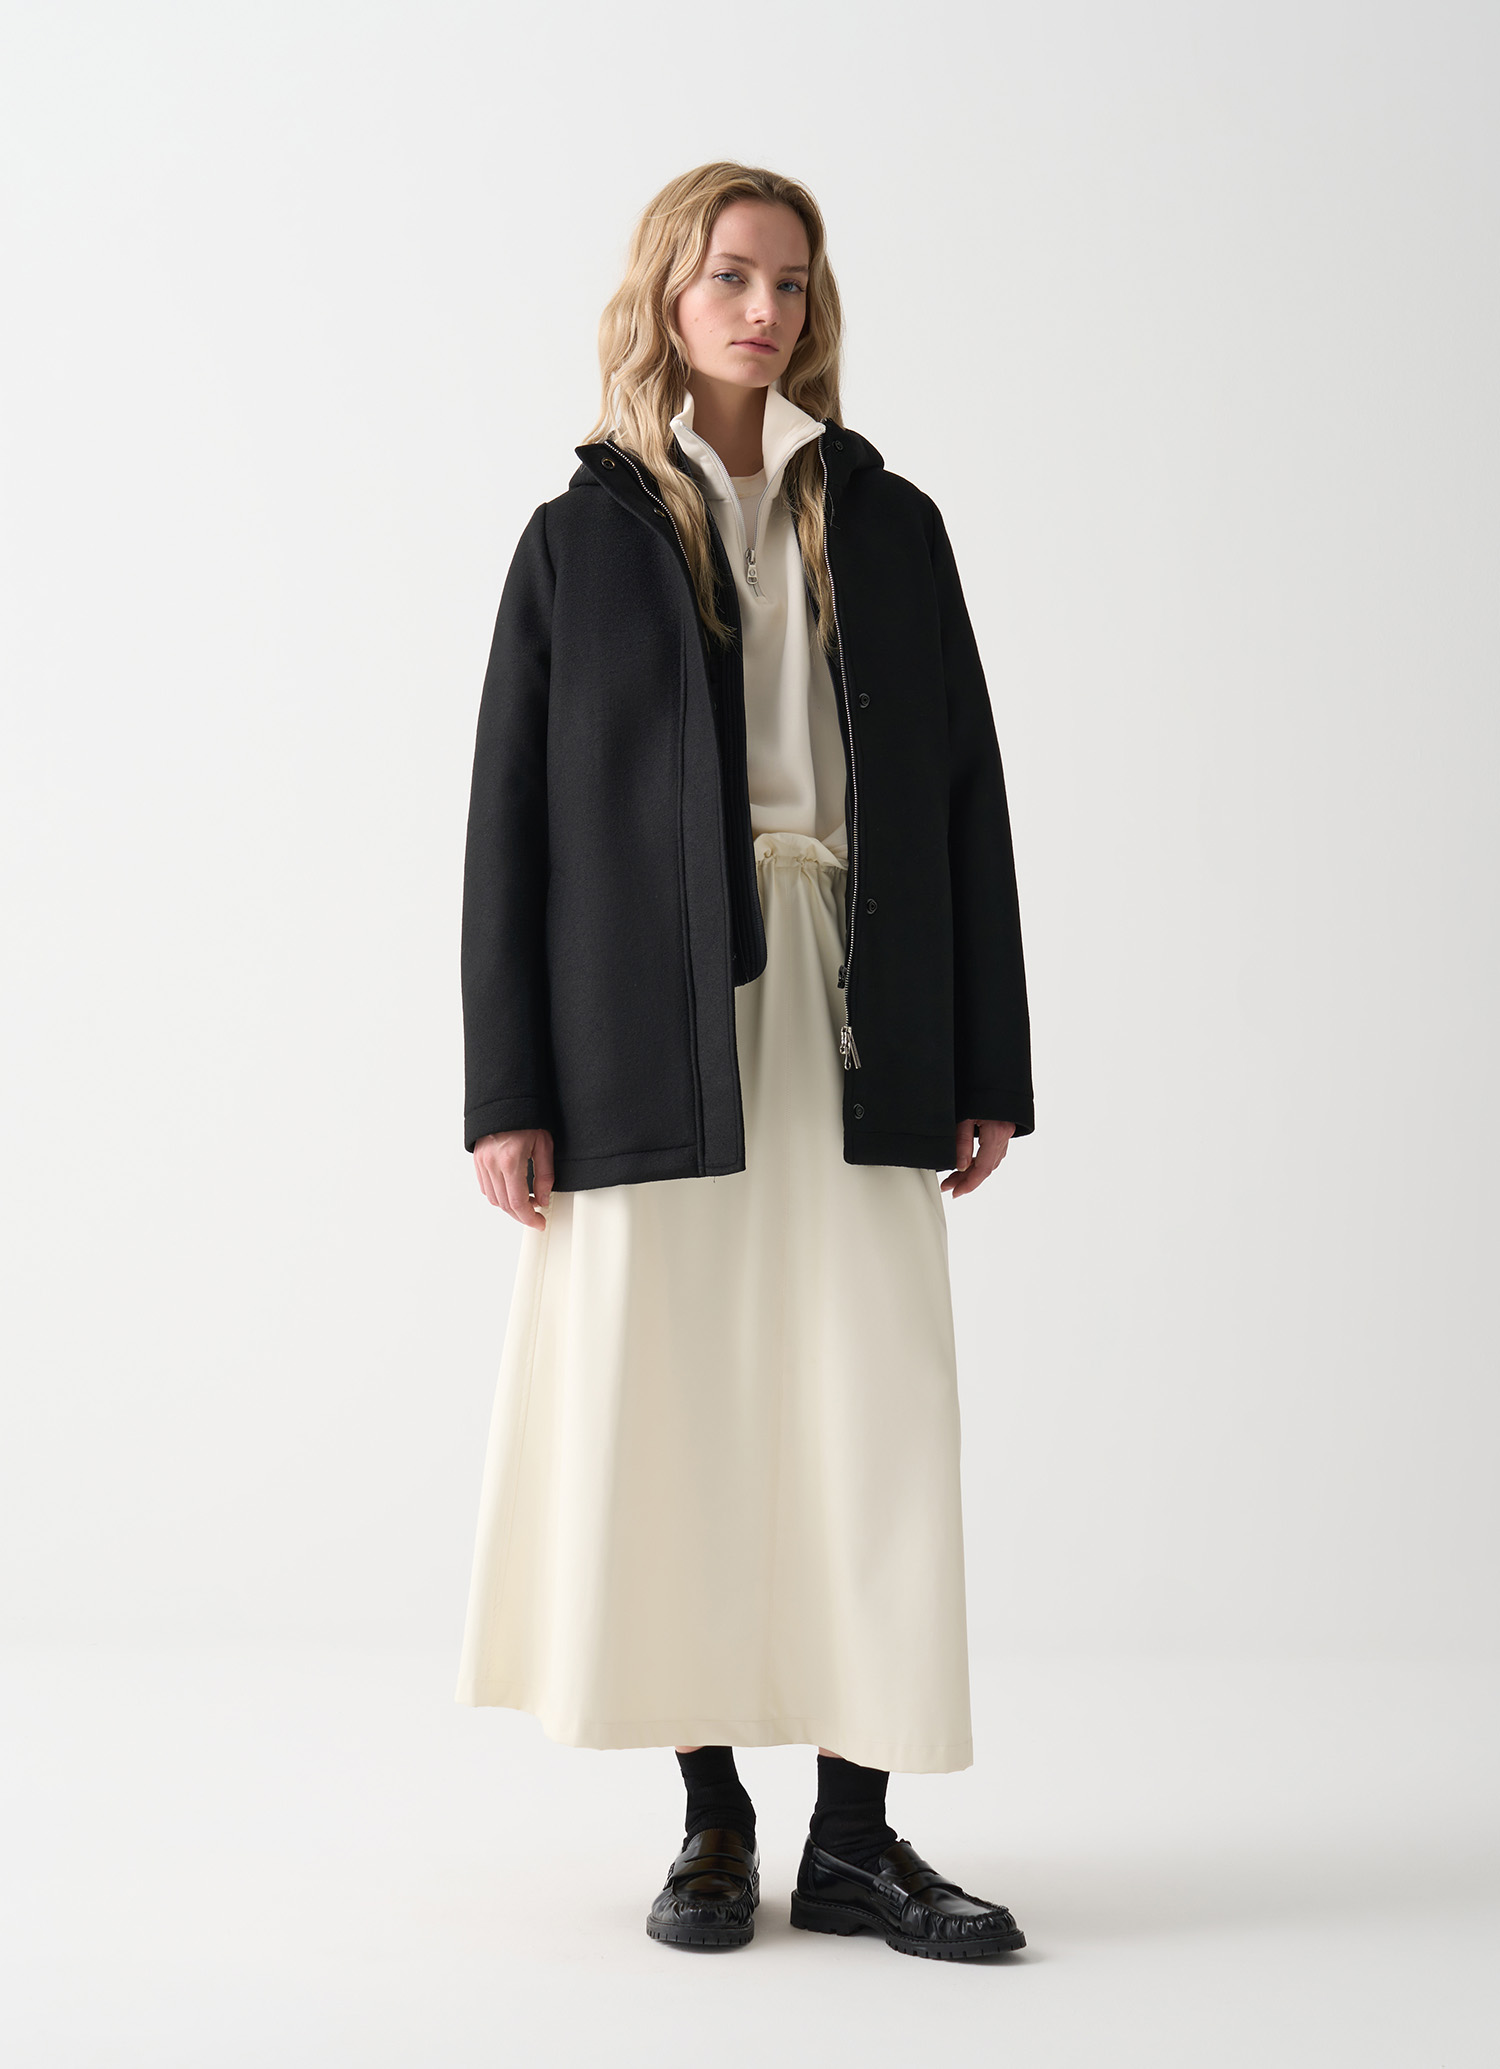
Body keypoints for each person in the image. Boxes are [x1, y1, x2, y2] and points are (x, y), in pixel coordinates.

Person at [456, 162, 1033, 1961]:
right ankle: (713, 1820)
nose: (765, 308)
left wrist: (989, 1056)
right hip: (650, 1034)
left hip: (862, 1013)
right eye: (729, 276)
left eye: (790, 280)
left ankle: (855, 1838)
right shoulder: (581, 540)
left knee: (873, 1413)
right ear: (669, 292)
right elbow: (508, 826)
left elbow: (965, 791)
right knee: (679, 1412)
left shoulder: (892, 523)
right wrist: (508, 1090)